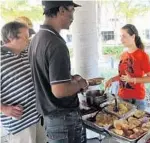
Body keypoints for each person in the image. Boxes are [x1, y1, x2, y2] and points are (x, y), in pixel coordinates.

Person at [29, 1, 88, 143]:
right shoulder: (56, 43)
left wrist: (69, 78)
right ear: (61, 10)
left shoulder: (37, 38)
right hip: (63, 119)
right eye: (72, 10)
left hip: (51, 117)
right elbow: (60, 90)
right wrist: (81, 83)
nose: (73, 16)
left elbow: (46, 75)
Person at [0, 22, 41, 143]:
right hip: (20, 124)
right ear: (11, 38)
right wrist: (4, 109)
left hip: (37, 116)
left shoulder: (26, 52)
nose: (28, 40)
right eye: (25, 37)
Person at [105, 24, 150, 110]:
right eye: (121, 36)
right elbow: (123, 76)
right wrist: (112, 79)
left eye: (124, 36)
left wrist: (132, 80)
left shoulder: (142, 56)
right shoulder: (123, 55)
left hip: (136, 101)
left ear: (133, 36)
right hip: (122, 98)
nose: (121, 39)